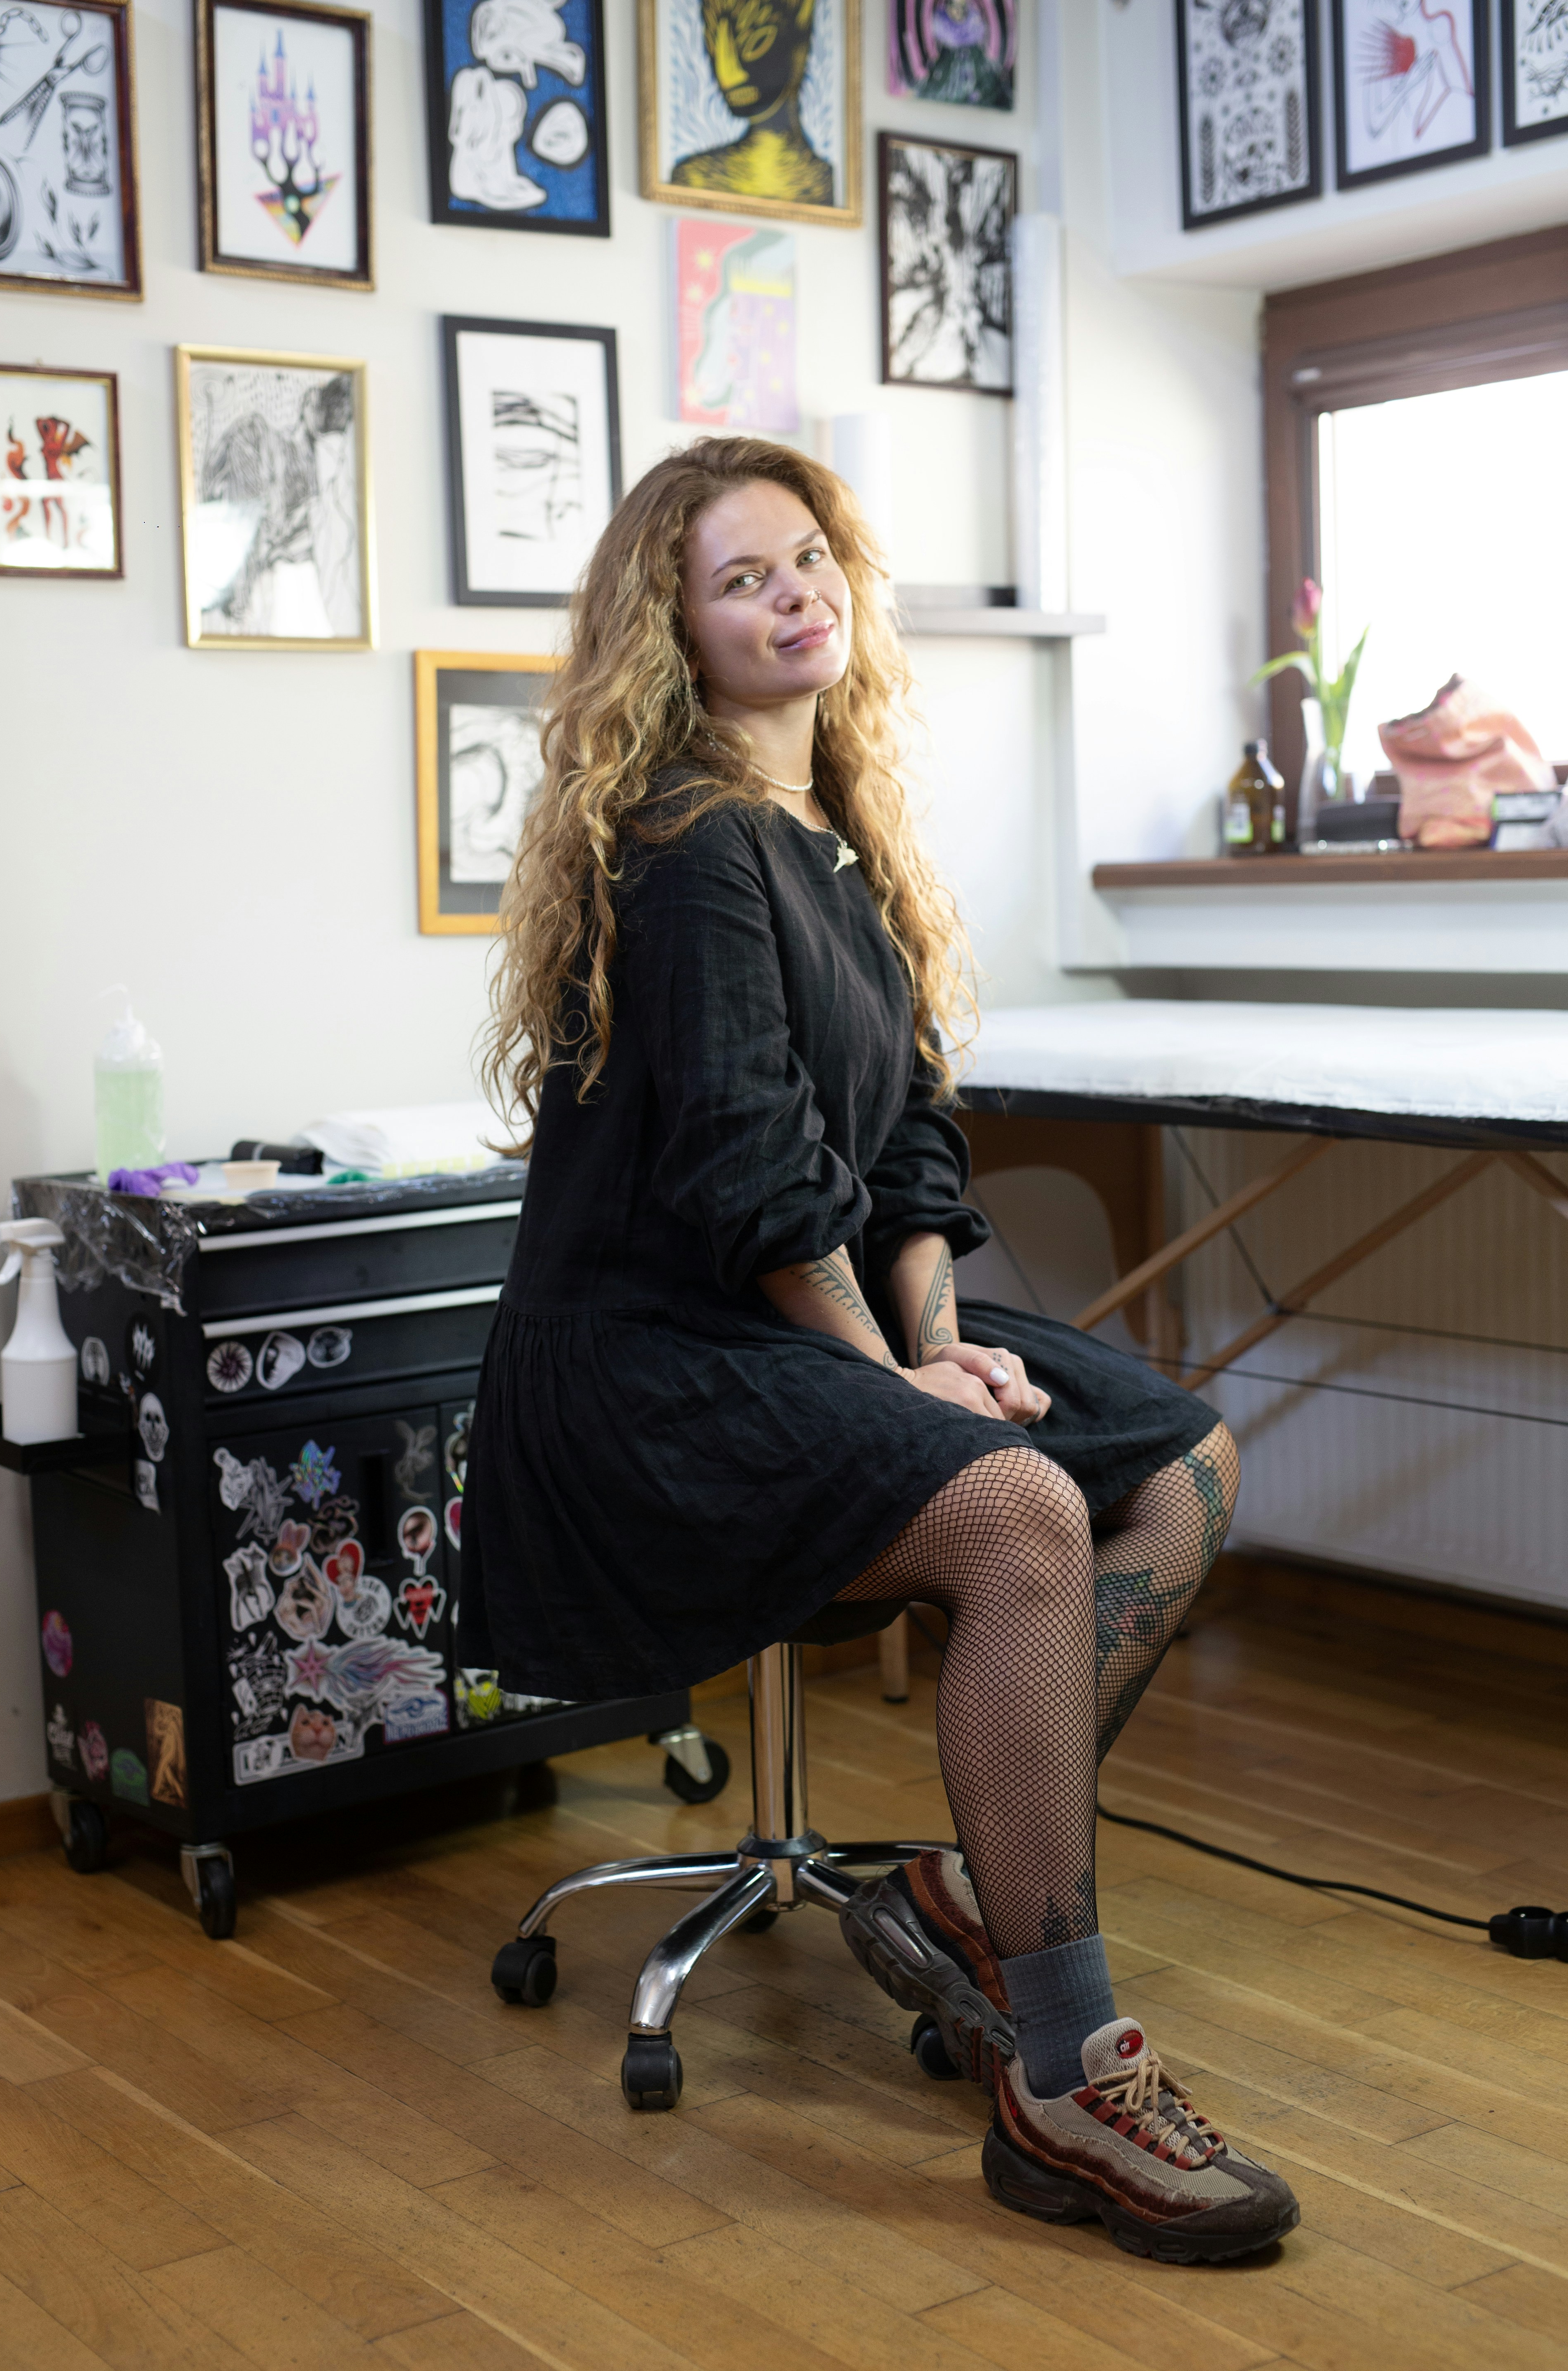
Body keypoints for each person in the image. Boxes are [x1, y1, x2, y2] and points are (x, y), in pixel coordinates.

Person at [461, 434, 1299, 2264]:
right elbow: (758, 1177)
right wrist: (897, 1388)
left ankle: (958, 1883)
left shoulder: (848, 843)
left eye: (812, 558)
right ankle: (1067, 2077)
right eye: (744, 576)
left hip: (805, 1317)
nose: (796, 592)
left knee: (1179, 1468)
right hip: (648, 1365)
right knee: (1017, 1521)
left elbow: (911, 1151)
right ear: (672, 633)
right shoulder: (688, 848)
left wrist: (935, 1340)